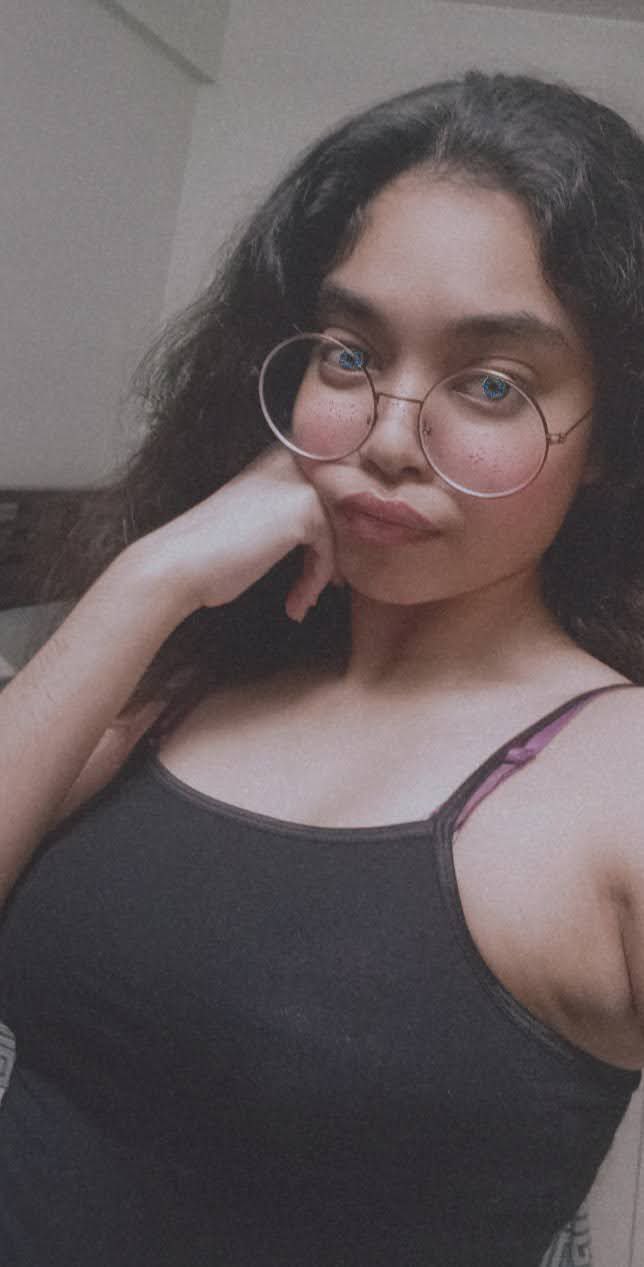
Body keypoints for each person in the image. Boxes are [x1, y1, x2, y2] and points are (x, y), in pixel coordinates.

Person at [1, 68, 644, 1267]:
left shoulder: (617, 777)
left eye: (491, 384)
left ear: (608, 437)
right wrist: (148, 579)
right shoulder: (192, 674)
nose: (389, 437)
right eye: (349, 356)